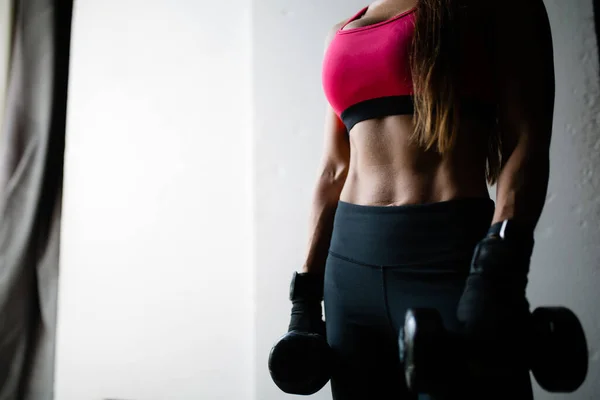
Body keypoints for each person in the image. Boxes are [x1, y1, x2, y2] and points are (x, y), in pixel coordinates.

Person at [286, 0, 555, 399]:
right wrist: (305, 292)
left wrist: (499, 270)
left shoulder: (500, 7)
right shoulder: (342, 31)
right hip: (350, 274)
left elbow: (527, 143)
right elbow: (333, 169)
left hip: (451, 260)